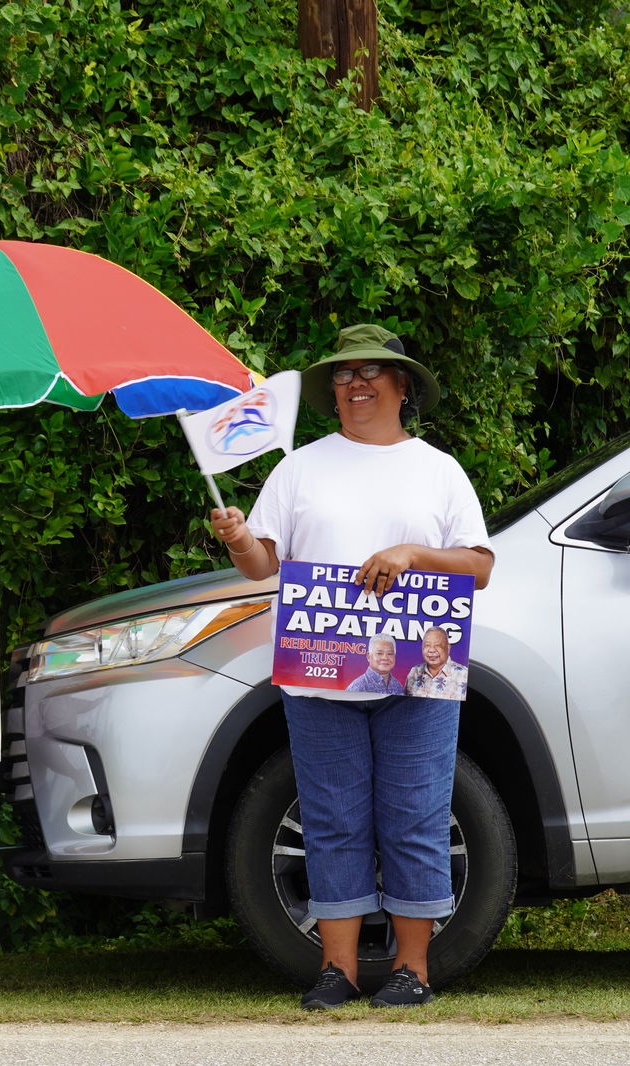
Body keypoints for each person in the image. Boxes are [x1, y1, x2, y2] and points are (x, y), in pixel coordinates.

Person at [208, 324, 493, 1010]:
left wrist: (413, 554)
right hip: (319, 671)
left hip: (419, 677)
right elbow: (263, 566)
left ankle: (413, 971)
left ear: (402, 386)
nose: (355, 383)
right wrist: (241, 538)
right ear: (331, 393)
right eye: (342, 374)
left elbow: (479, 567)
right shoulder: (300, 466)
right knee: (333, 816)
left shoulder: (439, 469)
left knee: (416, 813)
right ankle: (337, 970)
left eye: (370, 371)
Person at [404, 627, 469, 699]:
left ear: (448, 648)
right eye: (427, 645)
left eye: (438, 645)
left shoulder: (464, 674)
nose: (431, 650)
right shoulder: (414, 671)